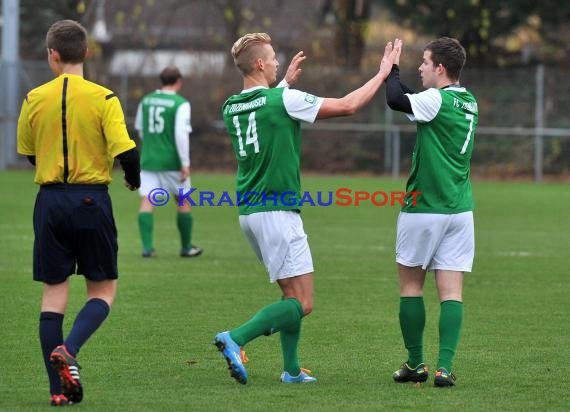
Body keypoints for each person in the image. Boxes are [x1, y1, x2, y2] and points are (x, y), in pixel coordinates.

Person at [213, 32, 399, 384]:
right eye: (273, 58)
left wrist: (282, 84)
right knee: (304, 303)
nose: (278, 62)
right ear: (259, 64)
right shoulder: (283, 99)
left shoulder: (231, 106)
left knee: (289, 294)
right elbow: (348, 105)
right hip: (278, 213)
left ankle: (292, 370)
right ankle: (235, 338)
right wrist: (382, 73)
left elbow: (264, 107)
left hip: (250, 213)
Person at [16, 20, 140, 406]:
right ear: (86, 53)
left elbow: (29, 152)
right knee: (102, 290)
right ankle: (69, 350)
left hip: (50, 202)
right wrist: (133, 180)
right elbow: (128, 153)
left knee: (53, 296)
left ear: (52, 54)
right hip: (91, 200)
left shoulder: (35, 98)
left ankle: (58, 393)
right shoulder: (104, 98)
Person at [385, 37, 478, 387]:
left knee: (411, 286)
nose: (420, 68)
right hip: (460, 210)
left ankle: (415, 363)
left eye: (424, 62)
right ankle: (444, 368)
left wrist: (390, 69)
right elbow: (414, 100)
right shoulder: (467, 101)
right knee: (451, 292)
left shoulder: (436, 99)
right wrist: (396, 79)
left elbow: (396, 98)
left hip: (425, 207)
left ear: (439, 67)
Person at [135, 66, 203, 258]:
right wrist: (185, 163)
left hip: (148, 160)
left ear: (161, 81)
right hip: (172, 162)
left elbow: (140, 129)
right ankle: (186, 247)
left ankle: (148, 248)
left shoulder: (146, 100)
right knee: (182, 202)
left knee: (147, 202)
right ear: (179, 81)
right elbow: (181, 134)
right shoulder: (180, 103)